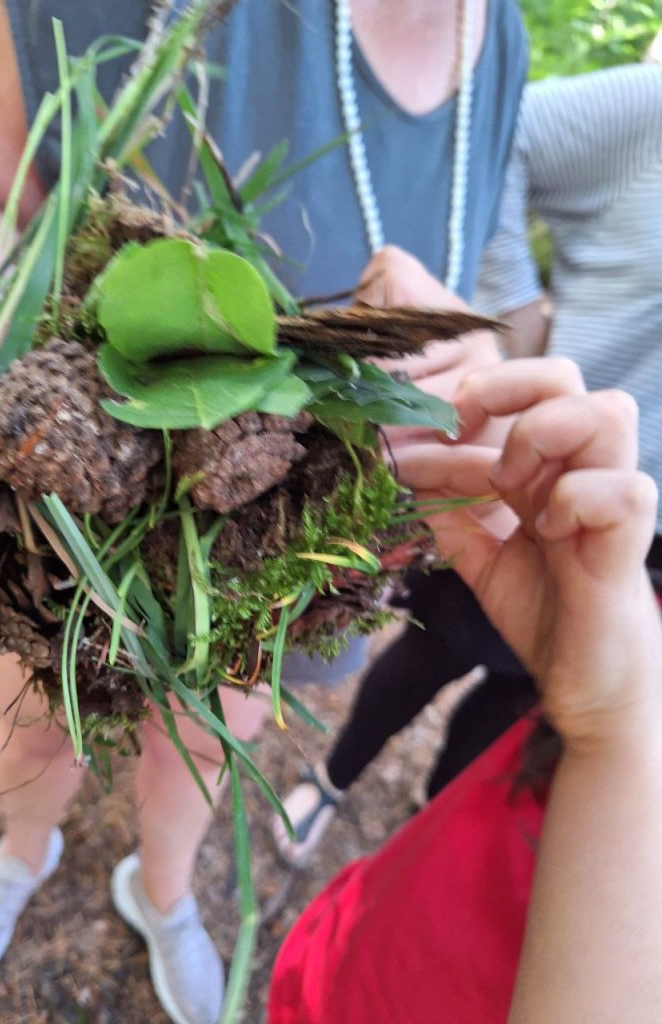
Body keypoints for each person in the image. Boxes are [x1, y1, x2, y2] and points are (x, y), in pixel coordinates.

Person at [0, 0, 525, 1020]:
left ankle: (162, 893)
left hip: (278, 564)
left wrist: (471, 358)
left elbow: (492, 278)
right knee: (44, 711)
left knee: (204, 737)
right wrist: (6, 418)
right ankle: (21, 851)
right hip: (69, 519)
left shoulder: (503, 41)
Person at [274, 58, 662, 867]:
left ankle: (425, 831)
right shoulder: (649, 112)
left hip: (649, 565)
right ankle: (334, 776)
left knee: (523, 705)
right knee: (434, 644)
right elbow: (506, 127)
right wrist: (511, 320)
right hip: (544, 487)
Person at [268, 355, 662, 1023]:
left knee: (498, 724)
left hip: (616, 656)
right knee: (433, 651)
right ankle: (335, 779)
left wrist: (615, 727)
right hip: (566, 509)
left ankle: (430, 810)